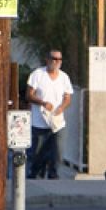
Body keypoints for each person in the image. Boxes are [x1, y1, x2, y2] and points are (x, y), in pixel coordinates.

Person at [26, 49, 73, 179]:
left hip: (57, 122)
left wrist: (62, 107)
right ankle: (34, 173)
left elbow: (68, 97)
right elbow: (29, 95)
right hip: (40, 122)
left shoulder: (64, 77)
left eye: (59, 59)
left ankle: (54, 174)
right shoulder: (37, 74)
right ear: (47, 59)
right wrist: (42, 102)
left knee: (58, 151)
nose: (57, 61)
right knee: (37, 152)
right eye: (54, 58)